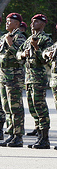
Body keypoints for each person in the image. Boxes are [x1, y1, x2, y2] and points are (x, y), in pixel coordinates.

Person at [16, 14, 52, 149]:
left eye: (36, 21)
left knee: (40, 107)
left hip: (39, 78)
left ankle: (45, 138)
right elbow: (18, 54)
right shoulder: (29, 39)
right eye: (32, 21)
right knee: (33, 108)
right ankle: (39, 136)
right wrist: (23, 54)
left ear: (43, 24)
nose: (32, 24)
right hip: (29, 78)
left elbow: (45, 59)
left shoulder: (45, 39)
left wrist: (36, 48)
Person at [0, 13, 26, 147]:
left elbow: (19, 54)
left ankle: (18, 136)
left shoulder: (20, 37)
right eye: (6, 21)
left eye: (9, 21)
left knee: (15, 107)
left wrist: (10, 43)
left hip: (14, 76)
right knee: (6, 107)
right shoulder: (5, 36)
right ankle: (11, 133)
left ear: (17, 23)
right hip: (3, 75)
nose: (6, 23)